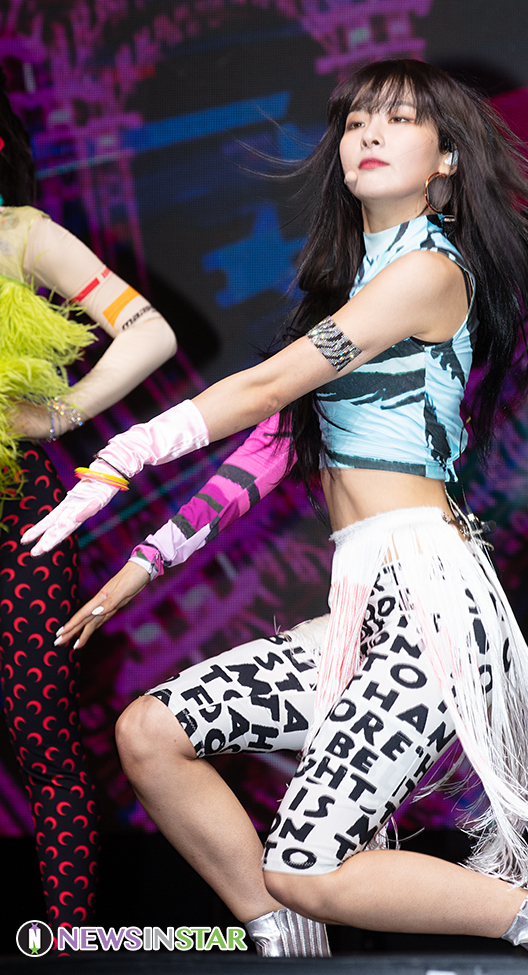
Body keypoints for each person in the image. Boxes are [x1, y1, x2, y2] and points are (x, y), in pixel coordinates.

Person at [24, 60, 528, 957]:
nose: (370, 134)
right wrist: (138, 568)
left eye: (401, 120)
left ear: (448, 159)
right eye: (355, 122)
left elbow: (267, 385)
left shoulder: (428, 271)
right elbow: (266, 449)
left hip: (430, 610)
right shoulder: (351, 293)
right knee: (150, 733)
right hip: (362, 611)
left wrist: (119, 456)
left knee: (307, 862)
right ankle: (287, 938)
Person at [0, 68, 177, 934]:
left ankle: (68, 943)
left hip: (17, 518)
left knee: (41, 733)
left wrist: (61, 412)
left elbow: (151, 329)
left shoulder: (22, 235)